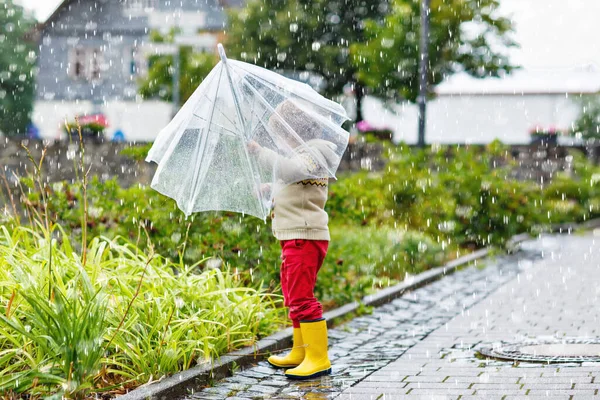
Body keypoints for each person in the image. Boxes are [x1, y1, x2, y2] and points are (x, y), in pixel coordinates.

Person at [247, 99, 338, 380]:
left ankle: (318, 357)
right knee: (292, 294)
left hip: (305, 235)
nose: (281, 142)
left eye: (283, 135)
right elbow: (293, 185)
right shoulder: (302, 154)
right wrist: (270, 189)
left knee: (301, 296)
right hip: (293, 235)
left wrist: (262, 153)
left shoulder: (316, 152)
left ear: (296, 131)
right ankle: (302, 349)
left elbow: (292, 171)